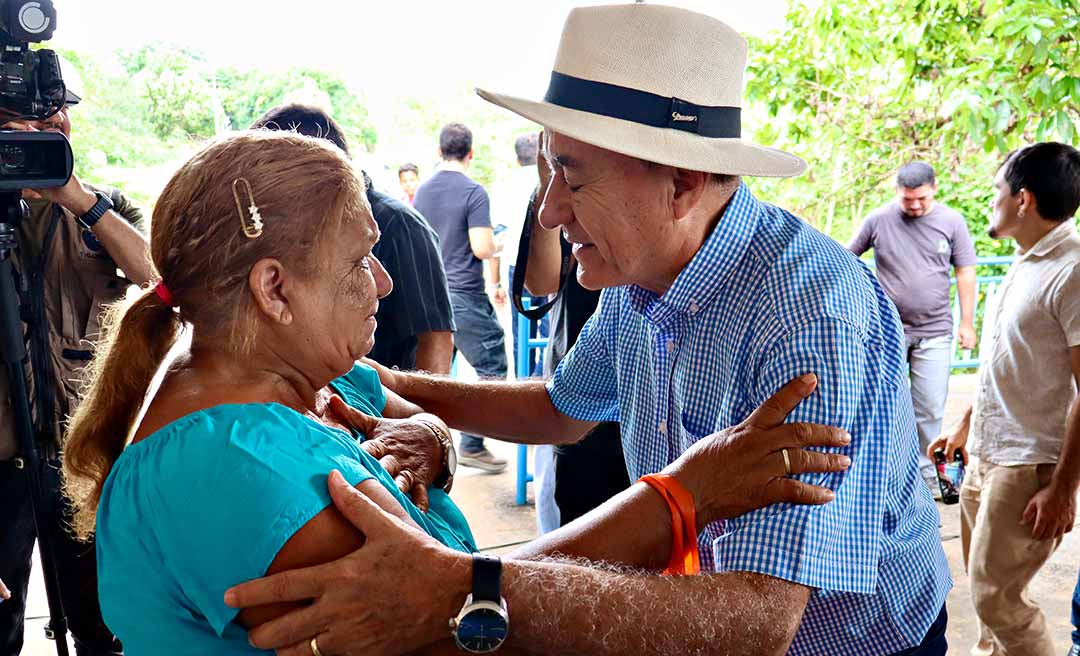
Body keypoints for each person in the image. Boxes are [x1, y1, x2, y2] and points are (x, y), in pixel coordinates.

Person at [225, 5, 951, 655]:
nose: (549, 214)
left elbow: (758, 620)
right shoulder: (643, 279)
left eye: (573, 178)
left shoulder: (807, 317)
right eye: (547, 177)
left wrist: (458, 591)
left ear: (682, 181)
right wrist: (388, 386)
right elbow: (560, 409)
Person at [60, 131, 848, 656]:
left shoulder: (302, 378)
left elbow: (444, 412)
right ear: (274, 290)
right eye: (360, 259)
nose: (386, 282)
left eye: (571, 177)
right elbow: (445, 633)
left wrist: (435, 439)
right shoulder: (235, 468)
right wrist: (682, 495)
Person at [0, 91, 152, 656]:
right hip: (3, 456)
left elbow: (161, 279)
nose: (48, 125)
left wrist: (78, 200)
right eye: (25, 120)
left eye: (55, 113)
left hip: (82, 450)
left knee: (103, 618)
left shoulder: (105, 208)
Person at [928, 142, 1080, 656]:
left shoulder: (1072, 269)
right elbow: (1005, 363)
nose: (991, 200)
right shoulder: (1024, 262)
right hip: (988, 455)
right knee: (986, 595)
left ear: (1023, 199)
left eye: (997, 190)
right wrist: (966, 425)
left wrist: (1062, 489)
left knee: (999, 601)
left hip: (1029, 464)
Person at [252, 104, 456, 373]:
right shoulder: (284, 228)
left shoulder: (400, 225)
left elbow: (436, 338)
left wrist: (424, 410)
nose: (381, 284)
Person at [512, 141, 630, 530]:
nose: (553, 211)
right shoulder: (625, 295)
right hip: (577, 372)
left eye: (575, 179)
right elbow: (540, 279)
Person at [850, 162, 977, 496]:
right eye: (907, 200)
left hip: (935, 330)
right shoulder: (878, 220)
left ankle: (926, 478)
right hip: (888, 331)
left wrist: (967, 323)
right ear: (897, 192)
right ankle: (886, 475)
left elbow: (965, 272)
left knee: (930, 407)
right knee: (884, 401)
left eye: (920, 198)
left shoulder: (952, 222)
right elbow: (847, 260)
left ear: (934, 188)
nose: (915, 205)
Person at [413, 123, 508, 472]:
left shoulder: (422, 191)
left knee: (434, 375)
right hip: (464, 292)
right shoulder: (474, 192)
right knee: (492, 366)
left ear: (439, 152)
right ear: (470, 154)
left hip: (430, 291)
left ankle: (428, 443)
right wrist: (498, 242)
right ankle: (471, 444)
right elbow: (481, 247)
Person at [493, 133, 548, 378]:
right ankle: (544, 379)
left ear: (517, 158)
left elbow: (499, 234)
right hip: (551, 264)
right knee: (549, 332)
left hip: (518, 266)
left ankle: (523, 381)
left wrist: (495, 282)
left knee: (521, 333)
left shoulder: (507, 183)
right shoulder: (548, 177)